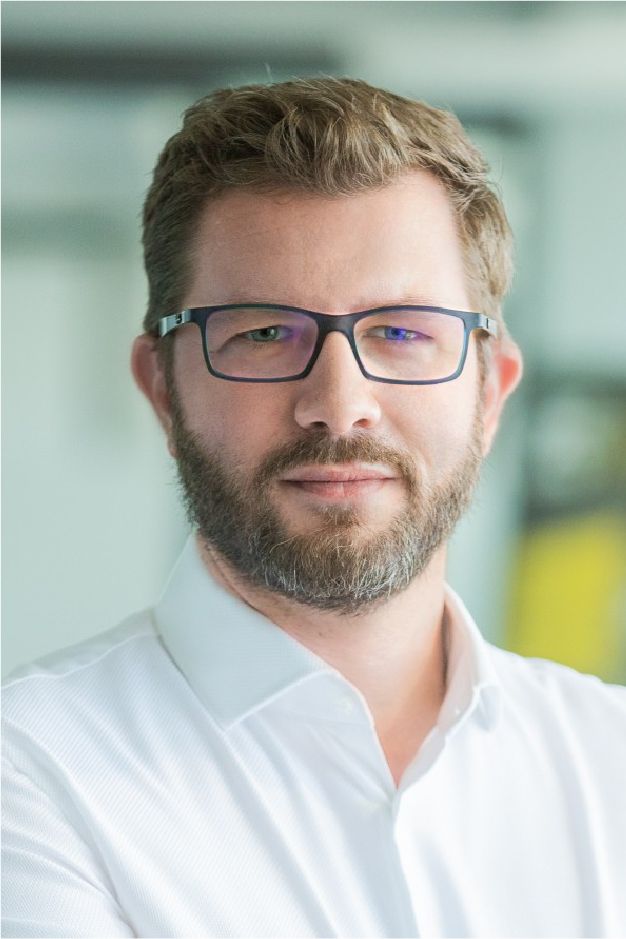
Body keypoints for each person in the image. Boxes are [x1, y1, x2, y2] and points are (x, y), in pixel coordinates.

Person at [2, 77, 625, 939]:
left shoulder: (608, 757)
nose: (339, 404)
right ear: (162, 388)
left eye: (401, 332)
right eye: (264, 333)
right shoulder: (32, 773)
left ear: (490, 394)